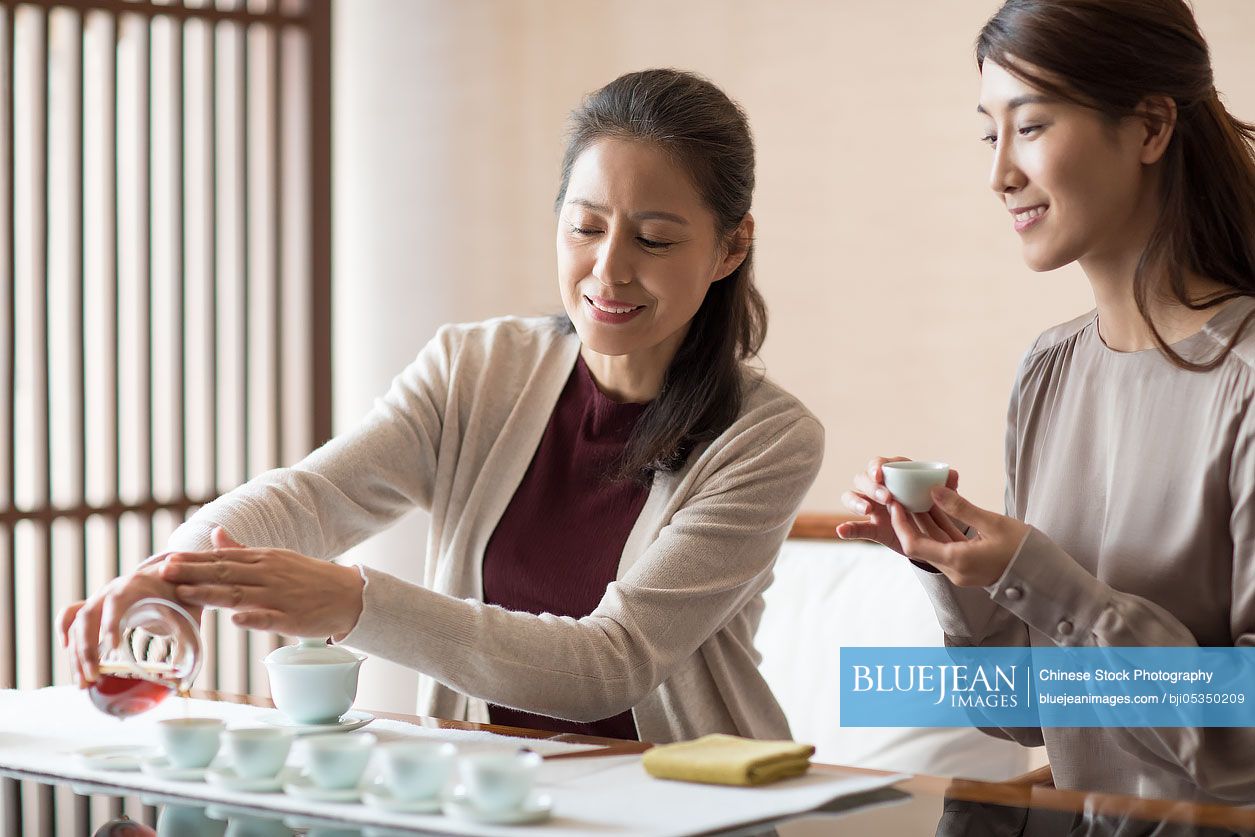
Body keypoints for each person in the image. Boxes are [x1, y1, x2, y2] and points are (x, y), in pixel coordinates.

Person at [59, 68, 824, 743]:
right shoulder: (477, 368)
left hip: (691, 806)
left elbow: (610, 664)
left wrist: (352, 602)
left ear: (729, 248)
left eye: (654, 239)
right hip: (491, 799)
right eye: (585, 227)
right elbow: (319, 494)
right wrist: (173, 574)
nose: (608, 268)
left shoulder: (766, 439)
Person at [838, 0, 1255, 802]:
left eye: (1028, 127)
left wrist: (1038, 574)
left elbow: (1242, 746)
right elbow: (1029, 713)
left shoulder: (1244, 377)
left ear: (1148, 127)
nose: (998, 174)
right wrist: (953, 569)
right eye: (988, 135)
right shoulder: (1048, 370)